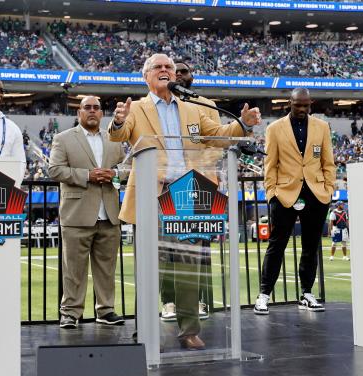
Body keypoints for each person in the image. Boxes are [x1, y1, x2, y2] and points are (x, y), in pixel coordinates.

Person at [109, 53, 261, 350]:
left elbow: (217, 136)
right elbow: (120, 136)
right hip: (154, 194)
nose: (166, 70)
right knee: (152, 267)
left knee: (189, 266)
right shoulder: (136, 109)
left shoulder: (193, 109)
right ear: (147, 76)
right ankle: (146, 330)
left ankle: (189, 329)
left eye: (169, 67)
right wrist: (118, 122)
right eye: (159, 67)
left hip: (187, 197)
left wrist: (241, 124)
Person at [254, 88, 335, 315]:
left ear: (311, 104)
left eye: (306, 105)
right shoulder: (274, 128)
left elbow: (328, 162)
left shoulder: (322, 127)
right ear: (289, 103)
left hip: (316, 193)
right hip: (285, 193)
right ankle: (264, 295)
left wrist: (328, 190)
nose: (301, 109)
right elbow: (270, 164)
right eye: (297, 105)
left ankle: (307, 293)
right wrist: (272, 193)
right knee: (276, 245)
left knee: (311, 246)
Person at [48, 96, 126, 329]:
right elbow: (54, 170)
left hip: (109, 214)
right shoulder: (63, 139)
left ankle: (106, 310)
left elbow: (127, 168)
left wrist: (114, 174)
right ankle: (70, 312)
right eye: (87, 108)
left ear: (102, 113)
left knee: (107, 268)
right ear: (79, 112)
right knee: (73, 269)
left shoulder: (114, 139)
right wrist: (87, 175)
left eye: (96, 108)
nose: (92, 111)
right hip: (77, 214)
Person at [157, 59, 221, 322]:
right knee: (167, 252)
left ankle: (201, 301)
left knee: (200, 251)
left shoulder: (206, 105)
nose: (180, 75)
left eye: (184, 71)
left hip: (198, 186)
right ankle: (169, 302)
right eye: (176, 72)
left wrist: (196, 168)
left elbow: (218, 142)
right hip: (167, 184)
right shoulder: (158, 105)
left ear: (192, 76)